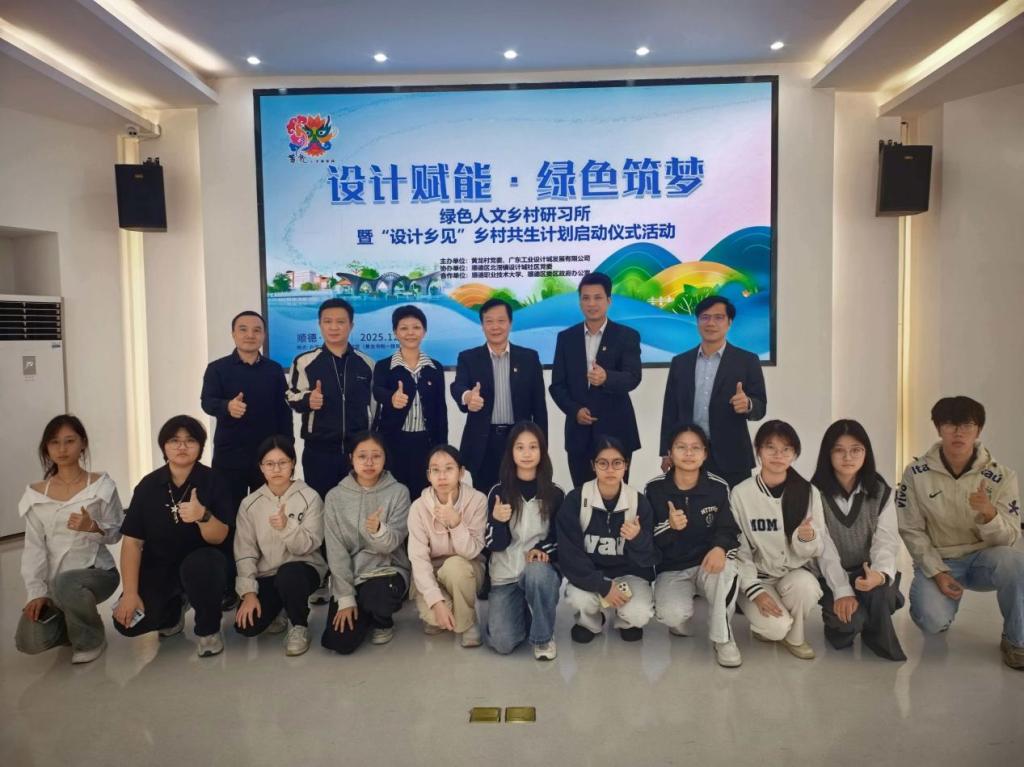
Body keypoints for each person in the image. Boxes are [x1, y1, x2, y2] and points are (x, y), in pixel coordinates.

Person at [897, 396, 1023, 669]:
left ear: (978, 430)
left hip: (984, 559)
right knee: (931, 620)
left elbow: (1010, 539)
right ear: (938, 428)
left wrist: (989, 514)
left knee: (1016, 562)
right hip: (941, 560)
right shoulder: (916, 473)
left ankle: (1017, 640)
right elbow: (911, 529)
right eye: (950, 424)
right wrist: (937, 572)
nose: (958, 432)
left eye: (967, 425)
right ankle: (943, 608)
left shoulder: (1002, 476)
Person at [113, 415, 235, 658]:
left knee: (201, 566)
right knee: (128, 623)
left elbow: (220, 537)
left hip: (204, 564)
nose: (182, 446)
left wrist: (203, 516)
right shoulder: (148, 486)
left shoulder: (214, 481)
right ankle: (173, 611)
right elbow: (133, 542)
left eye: (190, 440)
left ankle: (208, 630)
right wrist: (130, 593)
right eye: (174, 440)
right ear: (163, 446)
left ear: (200, 446)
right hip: (161, 566)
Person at [731, 420, 847, 660]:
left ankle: (796, 637)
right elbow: (738, 549)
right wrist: (754, 591)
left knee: (807, 587)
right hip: (758, 577)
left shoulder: (808, 491)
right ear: (758, 450)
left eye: (786, 449)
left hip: (792, 574)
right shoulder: (741, 493)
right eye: (770, 447)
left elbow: (816, 547)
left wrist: (806, 537)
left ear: (795, 454)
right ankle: (771, 628)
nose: (778, 455)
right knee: (775, 628)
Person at [15, 415, 124, 664]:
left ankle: (91, 639)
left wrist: (93, 527)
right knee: (29, 640)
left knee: (68, 583)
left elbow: (116, 533)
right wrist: (36, 592)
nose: (62, 449)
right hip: (56, 581)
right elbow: (34, 547)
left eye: (69, 441)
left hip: (98, 573)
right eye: (54, 442)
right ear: (46, 448)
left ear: (82, 443)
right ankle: (74, 622)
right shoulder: (35, 494)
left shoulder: (102, 485)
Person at [644, 423, 743, 667]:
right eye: (681, 447)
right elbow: (646, 539)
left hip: (707, 563)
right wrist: (669, 526)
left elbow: (729, 529)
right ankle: (682, 616)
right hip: (673, 568)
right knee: (672, 615)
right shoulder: (655, 489)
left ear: (705, 453)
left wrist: (720, 548)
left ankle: (723, 638)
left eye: (695, 448)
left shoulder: (718, 487)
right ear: (670, 452)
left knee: (728, 570)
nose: (689, 453)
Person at [811, 419, 907, 661]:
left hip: (866, 571)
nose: (848, 457)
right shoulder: (813, 494)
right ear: (827, 454)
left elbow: (886, 540)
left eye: (856, 450)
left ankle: (873, 614)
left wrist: (879, 574)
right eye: (839, 450)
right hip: (831, 574)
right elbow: (823, 548)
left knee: (882, 592)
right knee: (849, 624)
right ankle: (848, 621)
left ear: (866, 453)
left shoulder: (881, 492)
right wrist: (842, 591)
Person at [557, 437, 656, 642]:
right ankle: (590, 622)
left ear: (626, 465)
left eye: (617, 463)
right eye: (603, 463)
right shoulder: (576, 500)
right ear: (593, 465)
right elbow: (569, 554)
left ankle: (625, 621)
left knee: (639, 613)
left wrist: (637, 538)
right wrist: (602, 586)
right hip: (591, 573)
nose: (610, 469)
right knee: (579, 598)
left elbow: (650, 558)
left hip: (629, 575)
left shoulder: (639, 502)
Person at [660, 296, 767, 488]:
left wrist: (748, 404)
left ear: (729, 322)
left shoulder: (747, 361)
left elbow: (761, 406)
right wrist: (666, 451)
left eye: (719, 317)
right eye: (705, 317)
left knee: (732, 506)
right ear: (697, 321)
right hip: (688, 453)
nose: (711, 323)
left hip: (731, 456)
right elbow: (670, 410)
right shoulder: (680, 362)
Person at [233, 436, 326, 657]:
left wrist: (287, 527)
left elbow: (308, 545)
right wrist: (248, 593)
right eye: (269, 463)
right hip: (267, 574)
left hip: (303, 569)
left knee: (289, 575)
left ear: (293, 463)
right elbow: (245, 551)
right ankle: (280, 608)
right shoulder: (249, 504)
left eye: (282, 462)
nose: (276, 469)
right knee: (247, 626)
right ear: (261, 467)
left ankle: (299, 626)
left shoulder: (310, 497)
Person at [321, 432, 411, 655]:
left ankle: (382, 621)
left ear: (385, 458)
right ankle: (364, 611)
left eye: (376, 456)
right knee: (341, 642)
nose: (369, 462)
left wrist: (378, 530)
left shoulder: (399, 492)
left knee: (376, 597)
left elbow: (392, 544)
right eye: (362, 456)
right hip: (352, 575)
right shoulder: (334, 497)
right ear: (351, 458)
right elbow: (336, 551)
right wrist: (345, 597)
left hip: (387, 571)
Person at [549, 272, 642, 486]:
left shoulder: (627, 336)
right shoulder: (566, 338)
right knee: (582, 495)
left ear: (609, 300)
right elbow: (557, 385)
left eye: (598, 297)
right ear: (580, 302)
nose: (592, 304)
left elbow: (633, 377)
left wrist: (606, 377)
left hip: (617, 430)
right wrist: (575, 410)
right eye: (586, 298)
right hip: (579, 434)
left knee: (616, 494)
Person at [200, 310, 293, 518]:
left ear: (264, 335)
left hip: (267, 456)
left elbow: (283, 411)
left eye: (257, 330)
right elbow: (207, 402)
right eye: (243, 330)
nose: (250, 335)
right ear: (233, 334)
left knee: (268, 513)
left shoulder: (274, 370)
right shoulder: (217, 368)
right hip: (230, 455)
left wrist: (287, 447)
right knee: (228, 513)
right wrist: (227, 406)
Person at [484, 422, 564, 659]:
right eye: (520, 447)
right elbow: (493, 545)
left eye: (533, 447)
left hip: (538, 571)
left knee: (537, 573)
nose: (527, 453)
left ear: (542, 451)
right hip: (505, 574)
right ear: (511, 452)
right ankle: (527, 611)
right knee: (502, 643)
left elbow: (561, 539)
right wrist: (497, 521)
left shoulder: (555, 493)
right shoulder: (498, 492)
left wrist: (540, 549)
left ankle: (543, 638)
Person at [451, 298, 547, 493]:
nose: (495, 327)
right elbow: (458, 385)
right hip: (484, 443)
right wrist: (468, 397)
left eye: (501, 321)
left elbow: (539, 407)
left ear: (510, 323)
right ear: (482, 325)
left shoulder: (529, 358)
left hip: (519, 440)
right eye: (489, 321)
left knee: (520, 496)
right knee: (485, 497)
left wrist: (542, 446)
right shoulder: (469, 357)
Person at [287, 298, 375, 499]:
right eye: (328, 321)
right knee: (320, 505)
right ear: (320, 324)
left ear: (351, 325)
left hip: (357, 453)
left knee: (357, 506)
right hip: (319, 452)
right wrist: (308, 400)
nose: (334, 327)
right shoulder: (304, 361)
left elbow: (374, 407)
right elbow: (291, 395)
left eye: (340, 322)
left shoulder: (366, 363)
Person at [407, 445, 487, 647]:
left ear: (461, 472)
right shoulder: (418, 508)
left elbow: (471, 551)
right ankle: (451, 610)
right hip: (432, 572)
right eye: (435, 470)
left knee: (455, 567)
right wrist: (436, 602)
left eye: (449, 469)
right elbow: (418, 559)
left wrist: (456, 522)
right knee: (435, 618)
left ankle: (468, 623)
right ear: (429, 475)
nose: (442, 476)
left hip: (467, 567)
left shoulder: (478, 500)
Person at [371, 305, 446, 500]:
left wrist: (442, 449)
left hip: (426, 443)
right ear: (395, 332)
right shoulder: (384, 366)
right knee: (394, 496)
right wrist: (391, 398)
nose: (410, 333)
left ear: (424, 331)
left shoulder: (435, 367)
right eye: (404, 328)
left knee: (424, 496)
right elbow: (377, 391)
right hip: (394, 443)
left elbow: (441, 411)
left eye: (416, 327)